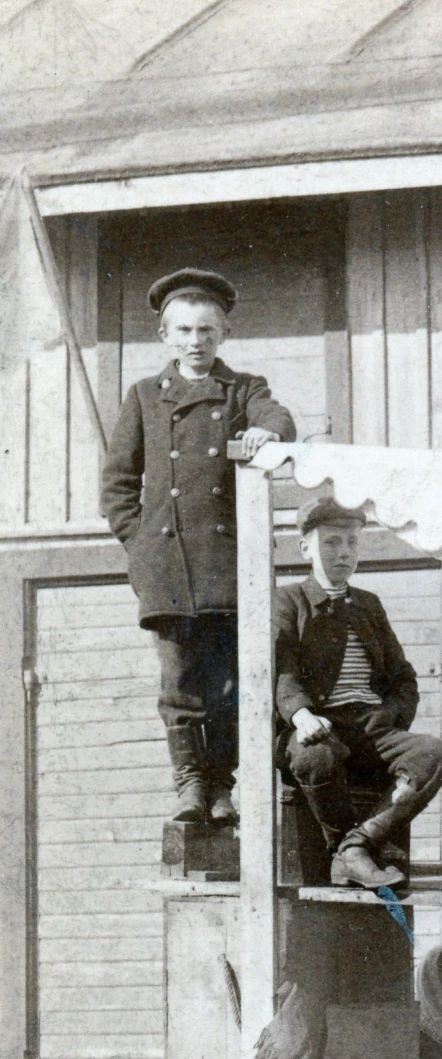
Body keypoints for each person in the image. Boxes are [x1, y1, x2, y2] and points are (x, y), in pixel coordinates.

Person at [99, 269, 297, 826]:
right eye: (184, 330)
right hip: (167, 566)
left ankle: (221, 786)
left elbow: (278, 417)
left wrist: (268, 433)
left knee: (230, 684)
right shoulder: (144, 396)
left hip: (228, 565)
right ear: (165, 336)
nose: (195, 341)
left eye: (207, 330)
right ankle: (189, 783)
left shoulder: (243, 388)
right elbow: (117, 484)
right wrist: (141, 545)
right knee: (180, 683)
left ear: (224, 334)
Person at [273, 500, 442, 888]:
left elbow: (403, 678)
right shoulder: (287, 601)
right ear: (305, 548)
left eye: (352, 542)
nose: (343, 552)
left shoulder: (368, 605)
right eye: (331, 542)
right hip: (318, 728)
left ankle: (357, 845)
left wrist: (389, 717)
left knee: (435, 755)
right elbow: (281, 671)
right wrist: (302, 716)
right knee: (315, 756)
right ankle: (353, 850)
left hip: (371, 728)